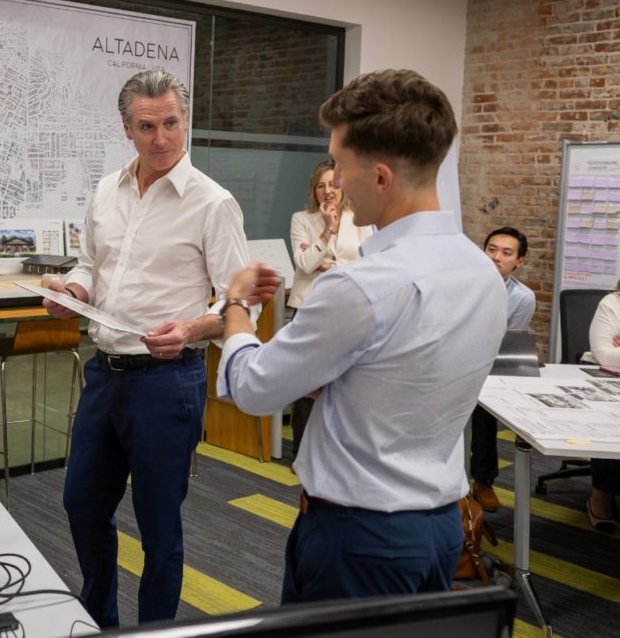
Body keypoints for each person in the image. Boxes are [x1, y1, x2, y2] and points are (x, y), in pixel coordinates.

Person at [218, 69, 508, 603]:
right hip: (443, 529)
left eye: (340, 165)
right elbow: (406, 375)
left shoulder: (360, 286)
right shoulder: (482, 271)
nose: (336, 182)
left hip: (360, 539)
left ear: (379, 178)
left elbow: (254, 389)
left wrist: (236, 306)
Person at [42, 70, 266, 627]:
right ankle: (100, 619)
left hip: (168, 381)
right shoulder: (105, 190)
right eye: (148, 126)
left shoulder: (213, 204)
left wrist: (192, 329)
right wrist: (73, 291)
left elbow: (243, 305)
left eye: (171, 123)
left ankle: (157, 631)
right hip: (105, 374)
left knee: (158, 524)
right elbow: (92, 265)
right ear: (127, 128)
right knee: (82, 504)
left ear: (184, 121)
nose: (162, 138)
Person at [286, 159, 374, 457]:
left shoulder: (360, 219)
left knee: (346, 381)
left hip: (348, 309)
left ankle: (339, 450)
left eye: (332, 184)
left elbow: (370, 265)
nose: (327, 190)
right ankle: (302, 452)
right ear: (314, 190)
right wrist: (327, 230)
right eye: (320, 185)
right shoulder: (301, 219)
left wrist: (329, 265)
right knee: (305, 381)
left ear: (342, 187)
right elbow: (305, 263)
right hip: (309, 308)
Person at [470, 226, 535, 512]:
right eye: (491, 249)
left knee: (486, 404)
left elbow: (504, 343)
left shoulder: (522, 297)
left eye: (506, 253)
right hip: (447, 359)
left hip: (487, 364)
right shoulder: (461, 282)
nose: (496, 257)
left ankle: (483, 479)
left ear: (519, 261)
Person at [583, 252, 620, 533]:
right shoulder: (613, 303)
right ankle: (600, 494)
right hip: (604, 376)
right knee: (618, 417)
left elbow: (618, 353)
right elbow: (605, 354)